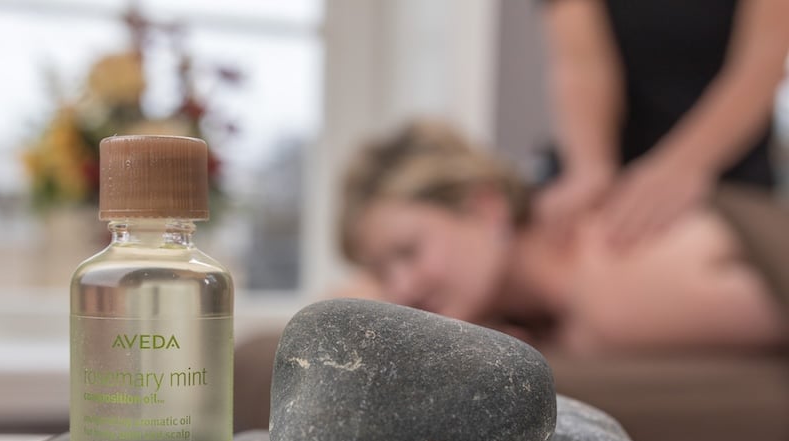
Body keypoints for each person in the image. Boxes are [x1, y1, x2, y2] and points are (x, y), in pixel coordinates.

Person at [337, 120, 786, 354]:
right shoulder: (548, 314)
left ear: (486, 208)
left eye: (409, 252)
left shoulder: (613, 269)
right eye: (382, 272)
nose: (401, 289)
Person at [536, 0, 789, 248]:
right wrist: (590, 169)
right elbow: (582, 65)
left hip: (726, 178)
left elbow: (764, 59)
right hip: (606, 174)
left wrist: (682, 168)